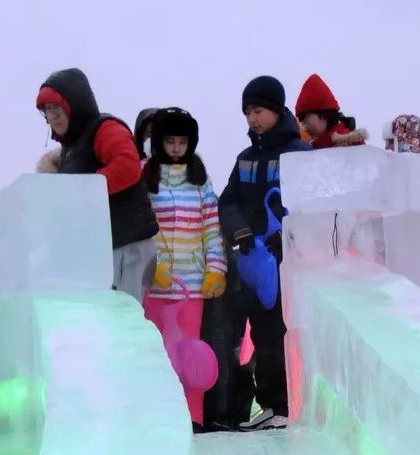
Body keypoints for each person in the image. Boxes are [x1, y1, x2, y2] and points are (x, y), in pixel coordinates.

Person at [217, 76, 310, 432]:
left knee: (284, 332)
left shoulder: (298, 154)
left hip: (287, 263)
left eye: (258, 110)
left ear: (276, 110)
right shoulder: (245, 159)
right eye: (247, 112)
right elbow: (229, 200)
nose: (252, 118)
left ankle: (289, 405)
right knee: (262, 334)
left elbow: (307, 205)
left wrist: (286, 236)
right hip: (253, 262)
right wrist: (239, 231)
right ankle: (272, 405)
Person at [35, 68, 158, 301]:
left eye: (57, 108)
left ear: (75, 104)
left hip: (126, 245)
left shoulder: (105, 129)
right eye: (47, 111)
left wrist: (84, 191)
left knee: (123, 318)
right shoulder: (72, 147)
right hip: (104, 248)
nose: (53, 116)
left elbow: (127, 167)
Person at [142, 107, 227, 432]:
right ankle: (159, 421)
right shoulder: (145, 177)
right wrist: (152, 268)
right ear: (158, 142)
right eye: (170, 141)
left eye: (182, 141)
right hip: (156, 286)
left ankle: (192, 418)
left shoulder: (200, 180)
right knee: (159, 356)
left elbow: (211, 225)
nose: (176, 148)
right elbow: (141, 228)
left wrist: (215, 269)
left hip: (192, 287)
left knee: (189, 355)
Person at [294, 75, 368, 149]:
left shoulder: (349, 145)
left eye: (305, 119)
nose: (304, 127)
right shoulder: (321, 145)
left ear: (322, 115)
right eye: (302, 123)